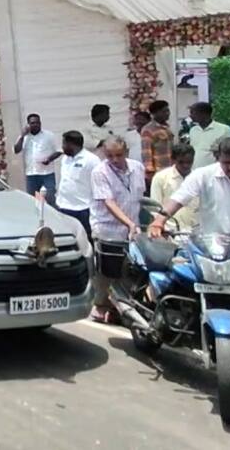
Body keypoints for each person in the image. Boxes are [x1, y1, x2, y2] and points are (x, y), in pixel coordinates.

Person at [89, 138, 145, 324]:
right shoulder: (100, 172)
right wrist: (129, 223)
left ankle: (121, 307)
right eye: (110, 156)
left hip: (133, 229)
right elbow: (108, 202)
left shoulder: (137, 167)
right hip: (108, 229)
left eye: (119, 155)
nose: (114, 159)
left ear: (127, 152)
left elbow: (139, 197)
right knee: (108, 271)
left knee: (129, 270)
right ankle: (101, 306)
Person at [150, 137, 230, 237]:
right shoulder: (203, 175)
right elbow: (179, 199)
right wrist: (158, 222)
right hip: (211, 246)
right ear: (218, 158)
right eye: (226, 163)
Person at [57, 131, 101, 238]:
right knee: (68, 237)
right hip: (63, 206)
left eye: (64, 144)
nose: (62, 147)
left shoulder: (91, 160)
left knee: (85, 238)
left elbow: (99, 184)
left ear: (72, 144)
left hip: (82, 208)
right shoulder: (65, 159)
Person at [149, 143, 198, 232]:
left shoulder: (198, 179)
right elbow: (155, 207)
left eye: (189, 162)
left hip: (194, 231)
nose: (186, 166)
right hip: (170, 231)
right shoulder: (161, 177)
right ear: (173, 160)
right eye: (181, 162)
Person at [13, 113, 59, 206]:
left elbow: (59, 150)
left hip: (47, 174)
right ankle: (38, 218)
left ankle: (53, 217)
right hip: (31, 174)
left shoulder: (49, 135)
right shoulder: (24, 137)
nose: (36, 125)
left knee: (50, 198)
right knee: (33, 200)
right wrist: (22, 136)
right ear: (28, 124)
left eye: (38, 123)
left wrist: (49, 159)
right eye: (33, 123)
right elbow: (17, 150)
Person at [141, 100, 175, 186]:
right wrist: (150, 172)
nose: (168, 113)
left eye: (168, 111)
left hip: (171, 168)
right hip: (158, 171)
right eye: (164, 111)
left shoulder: (167, 128)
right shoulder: (148, 129)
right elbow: (146, 152)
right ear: (155, 113)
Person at [187, 101, 230, 167]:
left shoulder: (224, 129)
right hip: (195, 171)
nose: (190, 115)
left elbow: (229, 152)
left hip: (214, 171)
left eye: (193, 112)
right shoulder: (193, 130)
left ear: (204, 114)